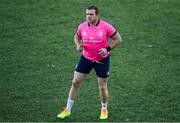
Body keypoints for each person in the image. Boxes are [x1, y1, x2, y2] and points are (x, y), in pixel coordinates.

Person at [57, 5, 122, 120]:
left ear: (97, 15)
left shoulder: (106, 27)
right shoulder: (82, 27)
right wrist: (78, 46)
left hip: (102, 60)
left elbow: (118, 39)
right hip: (86, 58)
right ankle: (67, 109)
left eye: (91, 14)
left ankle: (104, 109)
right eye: (87, 14)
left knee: (102, 87)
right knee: (75, 82)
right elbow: (76, 37)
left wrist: (107, 49)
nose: (88, 16)